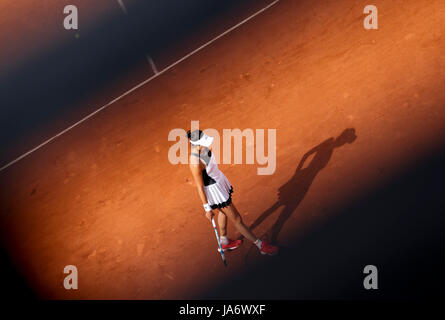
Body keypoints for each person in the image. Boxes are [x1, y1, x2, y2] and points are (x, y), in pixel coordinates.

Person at [187, 129, 279, 255]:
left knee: (223, 213)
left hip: (219, 181)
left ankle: (224, 242)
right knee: (237, 219)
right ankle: (261, 246)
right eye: (203, 142)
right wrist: (207, 208)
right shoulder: (195, 163)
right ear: (197, 145)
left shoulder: (203, 149)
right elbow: (199, 187)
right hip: (216, 192)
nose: (207, 144)